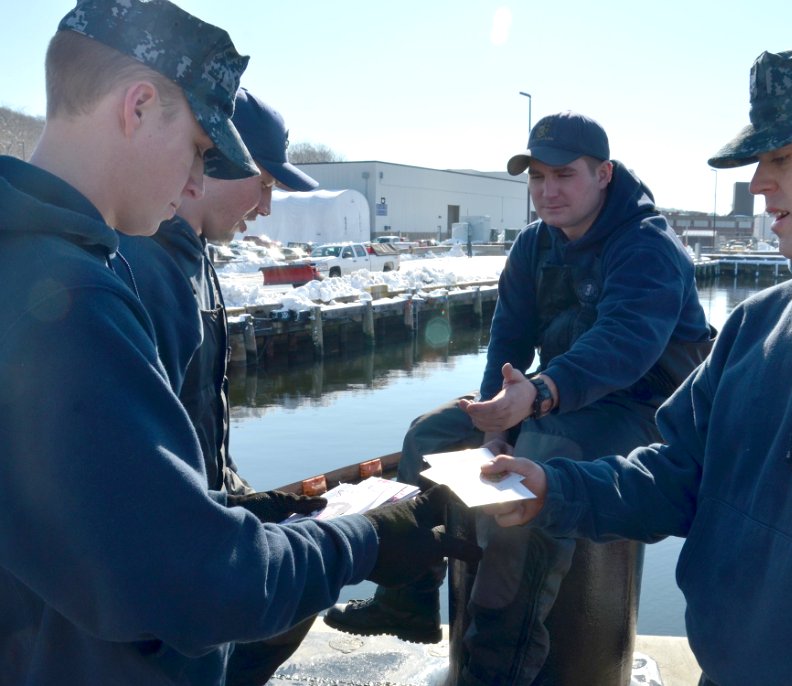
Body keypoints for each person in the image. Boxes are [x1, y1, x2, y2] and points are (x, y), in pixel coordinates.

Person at [0, 2, 476, 684]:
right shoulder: (74, 300)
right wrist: (365, 540)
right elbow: (197, 584)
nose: (197, 183)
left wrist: (247, 511)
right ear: (136, 108)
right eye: (198, 149)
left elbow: (106, 520)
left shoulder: (29, 264)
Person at [482, 43, 792, 685]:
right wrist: (555, 490)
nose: (759, 182)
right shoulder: (756, 326)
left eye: (781, 156)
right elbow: (678, 475)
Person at [325, 111, 715, 684]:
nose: (547, 191)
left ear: (604, 174)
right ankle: (407, 598)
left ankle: (497, 666)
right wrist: (492, 423)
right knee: (427, 435)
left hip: (641, 409)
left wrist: (539, 396)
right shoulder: (535, 246)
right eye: (536, 177)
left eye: (564, 175)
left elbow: (626, 344)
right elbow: (507, 338)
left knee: (534, 474)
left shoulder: (646, 246)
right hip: (550, 398)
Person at [118, 87, 323, 685]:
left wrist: (245, 497)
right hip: (169, 572)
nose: (264, 208)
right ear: (211, 158)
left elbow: (199, 415)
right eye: (261, 184)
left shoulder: (195, 259)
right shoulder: (144, 267)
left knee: (301, 574)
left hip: (203, 517)